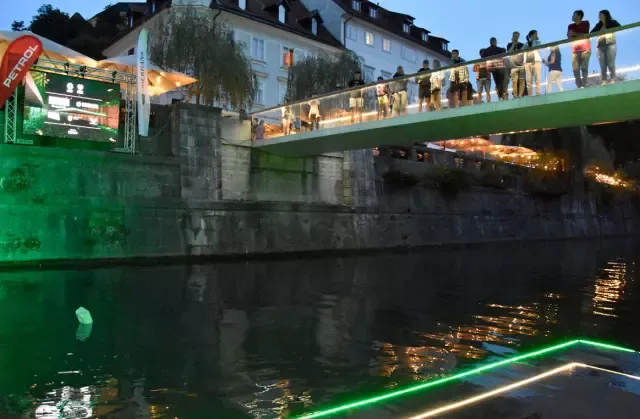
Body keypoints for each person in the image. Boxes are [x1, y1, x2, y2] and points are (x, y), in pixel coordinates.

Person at [591, 10, 621, 84]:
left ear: (605, 15)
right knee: (602, 65)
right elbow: (591, 33)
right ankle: (604, 80)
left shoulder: (612, 22)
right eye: (599, 15)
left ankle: (613, 79)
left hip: (610, 44)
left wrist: (608, 30)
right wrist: (600, 31)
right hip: (600, 45)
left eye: (601, 15)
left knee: (611, 63)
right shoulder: (599, 25)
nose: (599, 17)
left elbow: (620, 28)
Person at [568, 10, 591, 88]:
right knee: (575, 69)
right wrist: (578, 34)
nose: (572, 16)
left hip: (585, 49)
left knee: (584, 67)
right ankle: (579, 85)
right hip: (575, 50)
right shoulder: (570, 26)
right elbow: (569, 37)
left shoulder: (586, 23)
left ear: (579, 16)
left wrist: (575, 34)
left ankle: (585, 84)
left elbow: (586, 34)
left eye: (574, 14)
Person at [507, 32, 525, 98]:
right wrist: (513, 44)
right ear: (512, 36)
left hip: (521, 65)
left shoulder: (522, 45)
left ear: (518, 37)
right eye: (514, 36)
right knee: (514, 81)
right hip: (513, 66)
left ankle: (520, 95)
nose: (515, 37)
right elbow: (509, 52)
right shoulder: (509, 44)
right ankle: (515, 95)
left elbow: (524, 53)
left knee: (522, 80)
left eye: (517, 36)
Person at [524, 30, 542, 96]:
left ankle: (538, 94)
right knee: (529, 80)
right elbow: (522, 50)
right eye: (535, 34)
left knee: (537, 79)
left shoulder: (538, 42)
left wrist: (533, 40)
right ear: (531, 35)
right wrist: (529, 41)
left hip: (536, 61)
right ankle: (530, 95)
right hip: (527, 63)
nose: (537, 35)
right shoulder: (526, 43)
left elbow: (535, 47)